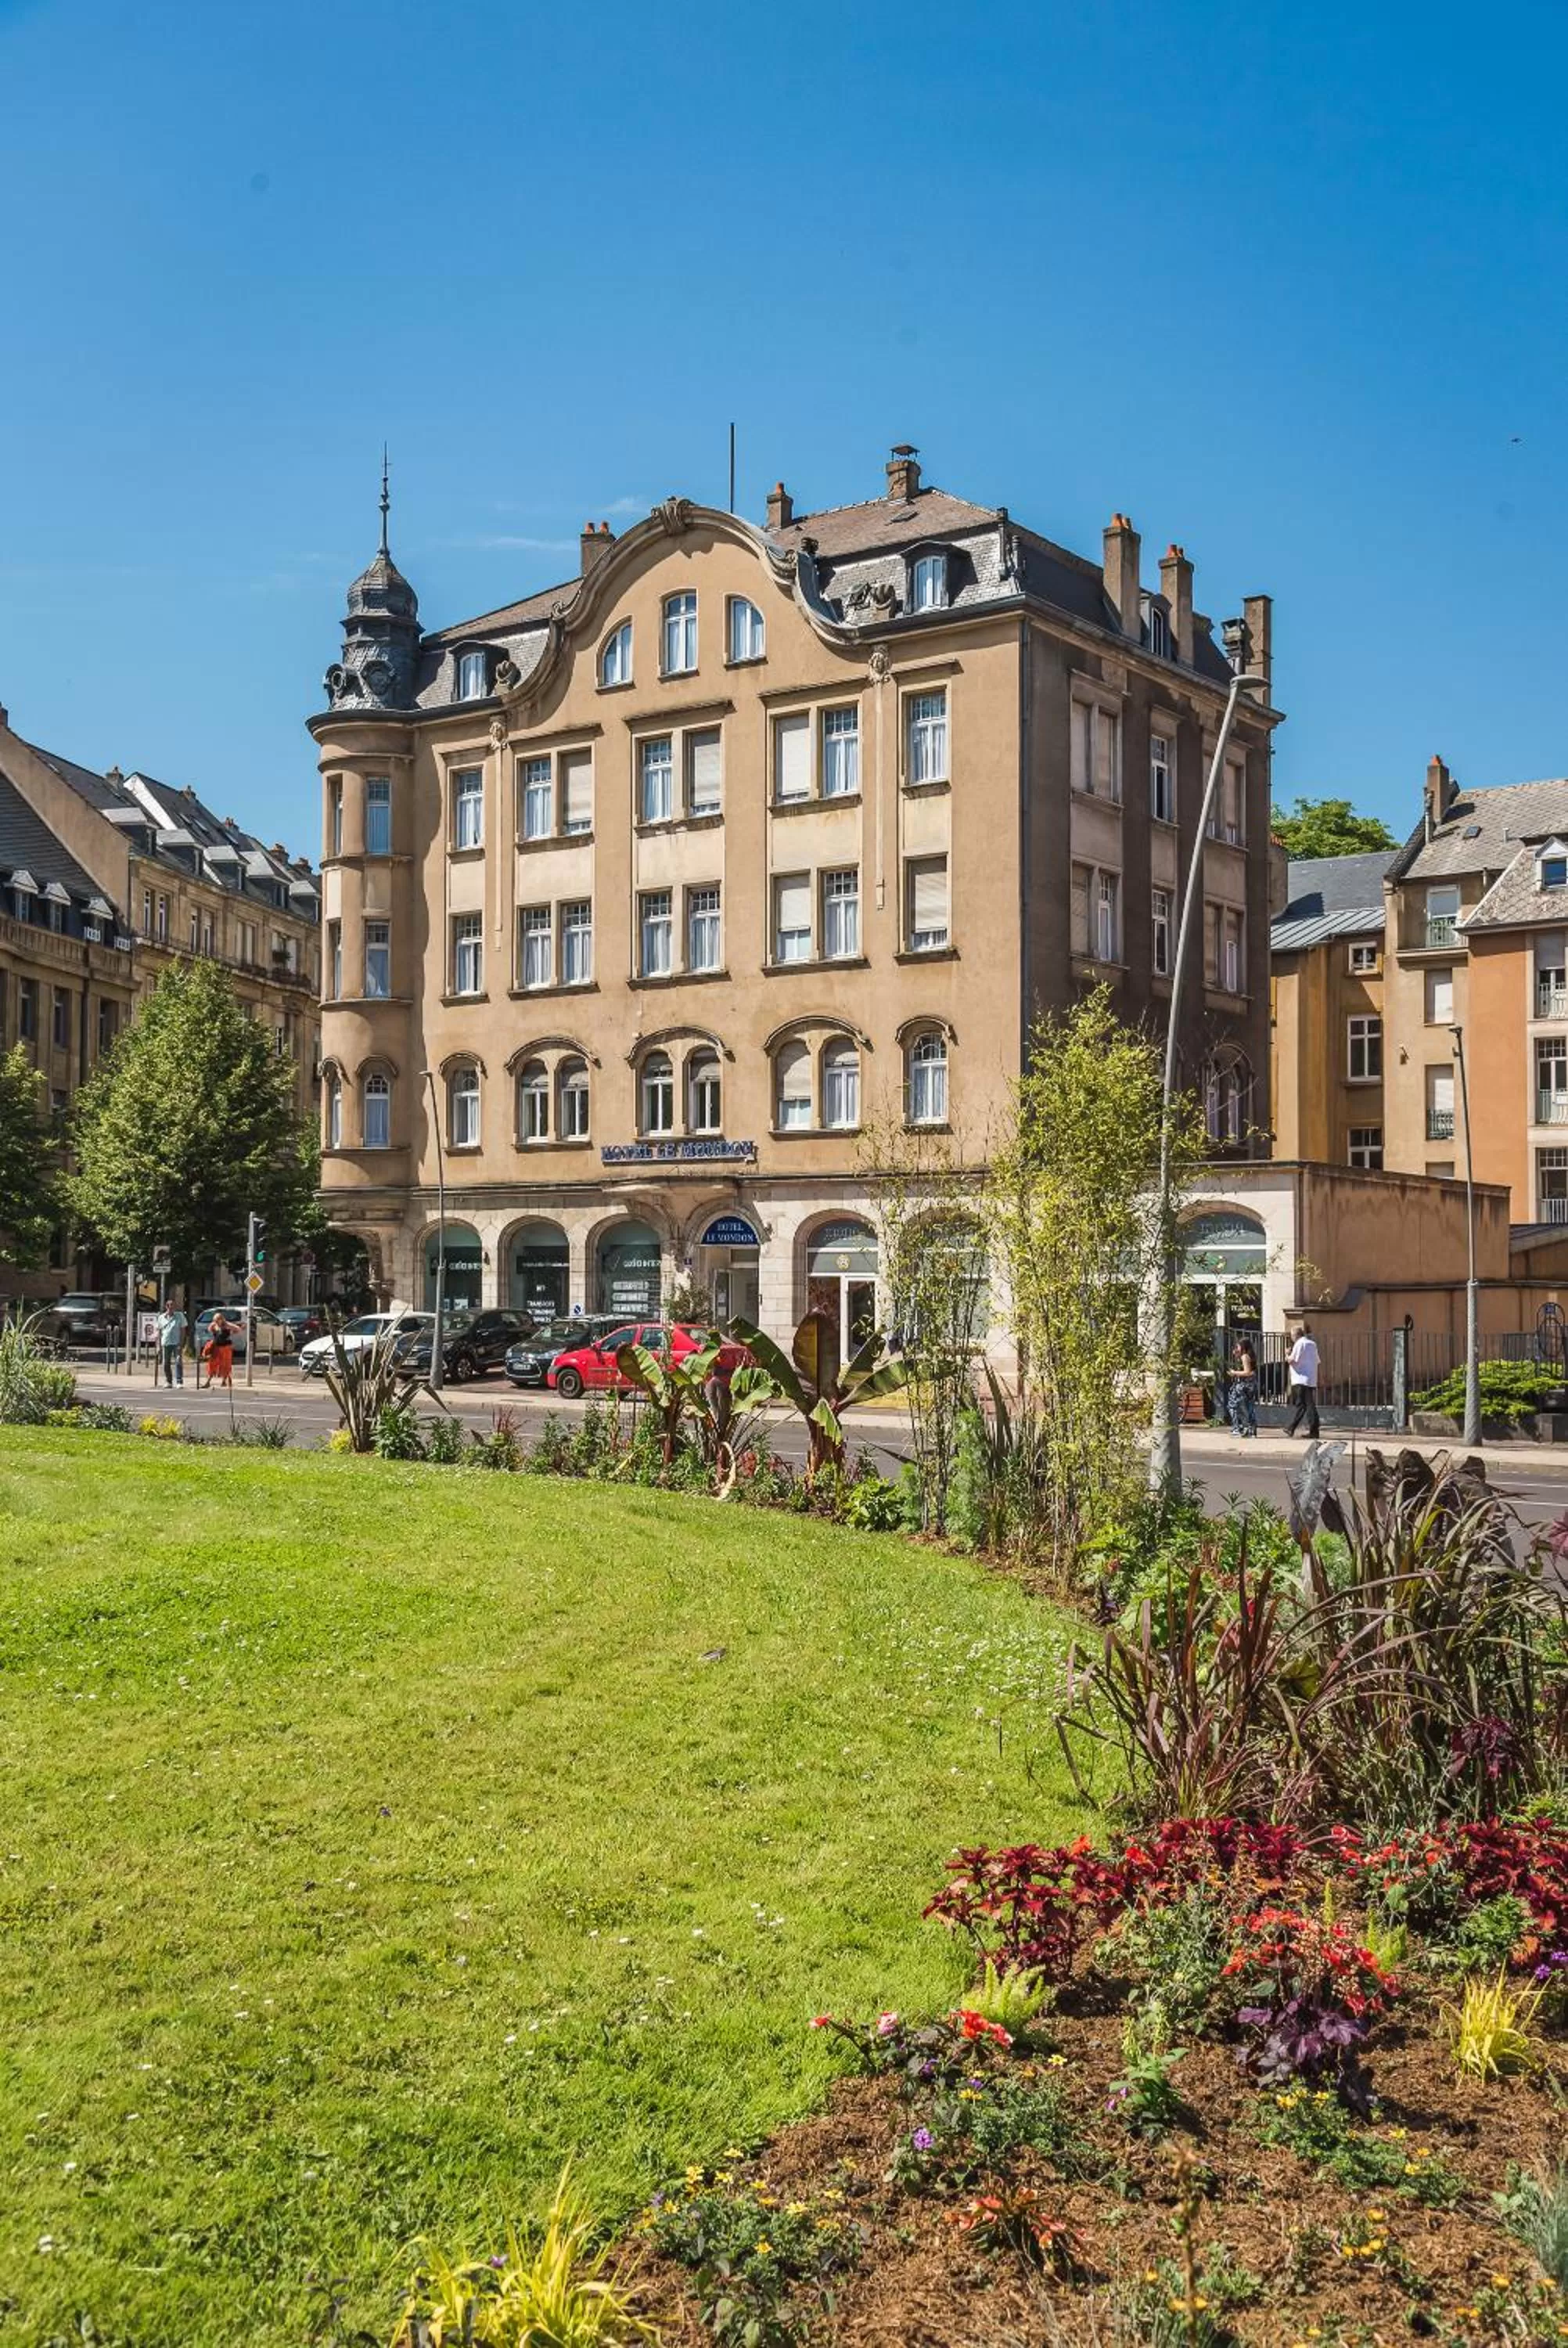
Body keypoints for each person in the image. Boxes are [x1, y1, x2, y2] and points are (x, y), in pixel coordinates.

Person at [1287, 1321, 1321, 1438]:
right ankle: (1309, 1429)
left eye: (1291, 1336)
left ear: (1295, 1335)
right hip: (1310, 1378)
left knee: (1303, 1405)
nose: (1291, 1338)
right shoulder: (1312, 1344)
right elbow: (1317, 1361)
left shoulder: (1299, 1344)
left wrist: (1287, 1354)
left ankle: (1295, 1428)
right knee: (1307, 1405)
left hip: (1300, 1378)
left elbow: (1292, 1360)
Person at [1229, 1334, 1259, 1437]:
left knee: (1234, 1405)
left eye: (1238, 1346)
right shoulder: (1249, 1356)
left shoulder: (1245, 1357)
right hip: (1251, 1384)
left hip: (1244, 1384)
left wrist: (1234, 1373)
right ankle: (1251, 1430)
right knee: (1249, 1406)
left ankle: (1238, 1428)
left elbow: (1247, 1372)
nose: (1237, 1348)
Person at [156, 1301, 187, 1388]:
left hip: (176, 1342)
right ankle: (168, 1381)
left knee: (178, 1361)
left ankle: (179, 1381)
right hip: (166, 1342)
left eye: (173, 1306)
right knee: (166, 1363)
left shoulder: (180, 1316)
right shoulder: (161, 1317)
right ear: (166, 1307)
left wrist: (181, 1343)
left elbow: (183, 1330)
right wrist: (158, 1346)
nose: (171, 1308)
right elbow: (159, 1332)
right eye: (169, 1306)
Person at [203, 1310, 235, 1391]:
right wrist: (214, 1326)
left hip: (226, 1347)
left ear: (222, 1319)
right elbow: (209, 1329)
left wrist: (231, 1332)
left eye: (218, 1320)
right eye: (215, 1320)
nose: (216, 1322)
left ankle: (224, 1381)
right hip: (216, 1347)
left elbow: (237, 1329)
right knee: (212, 1364)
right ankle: (208, 1382)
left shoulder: (227, 1325)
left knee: (225, 1364)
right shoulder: (214, 1325)